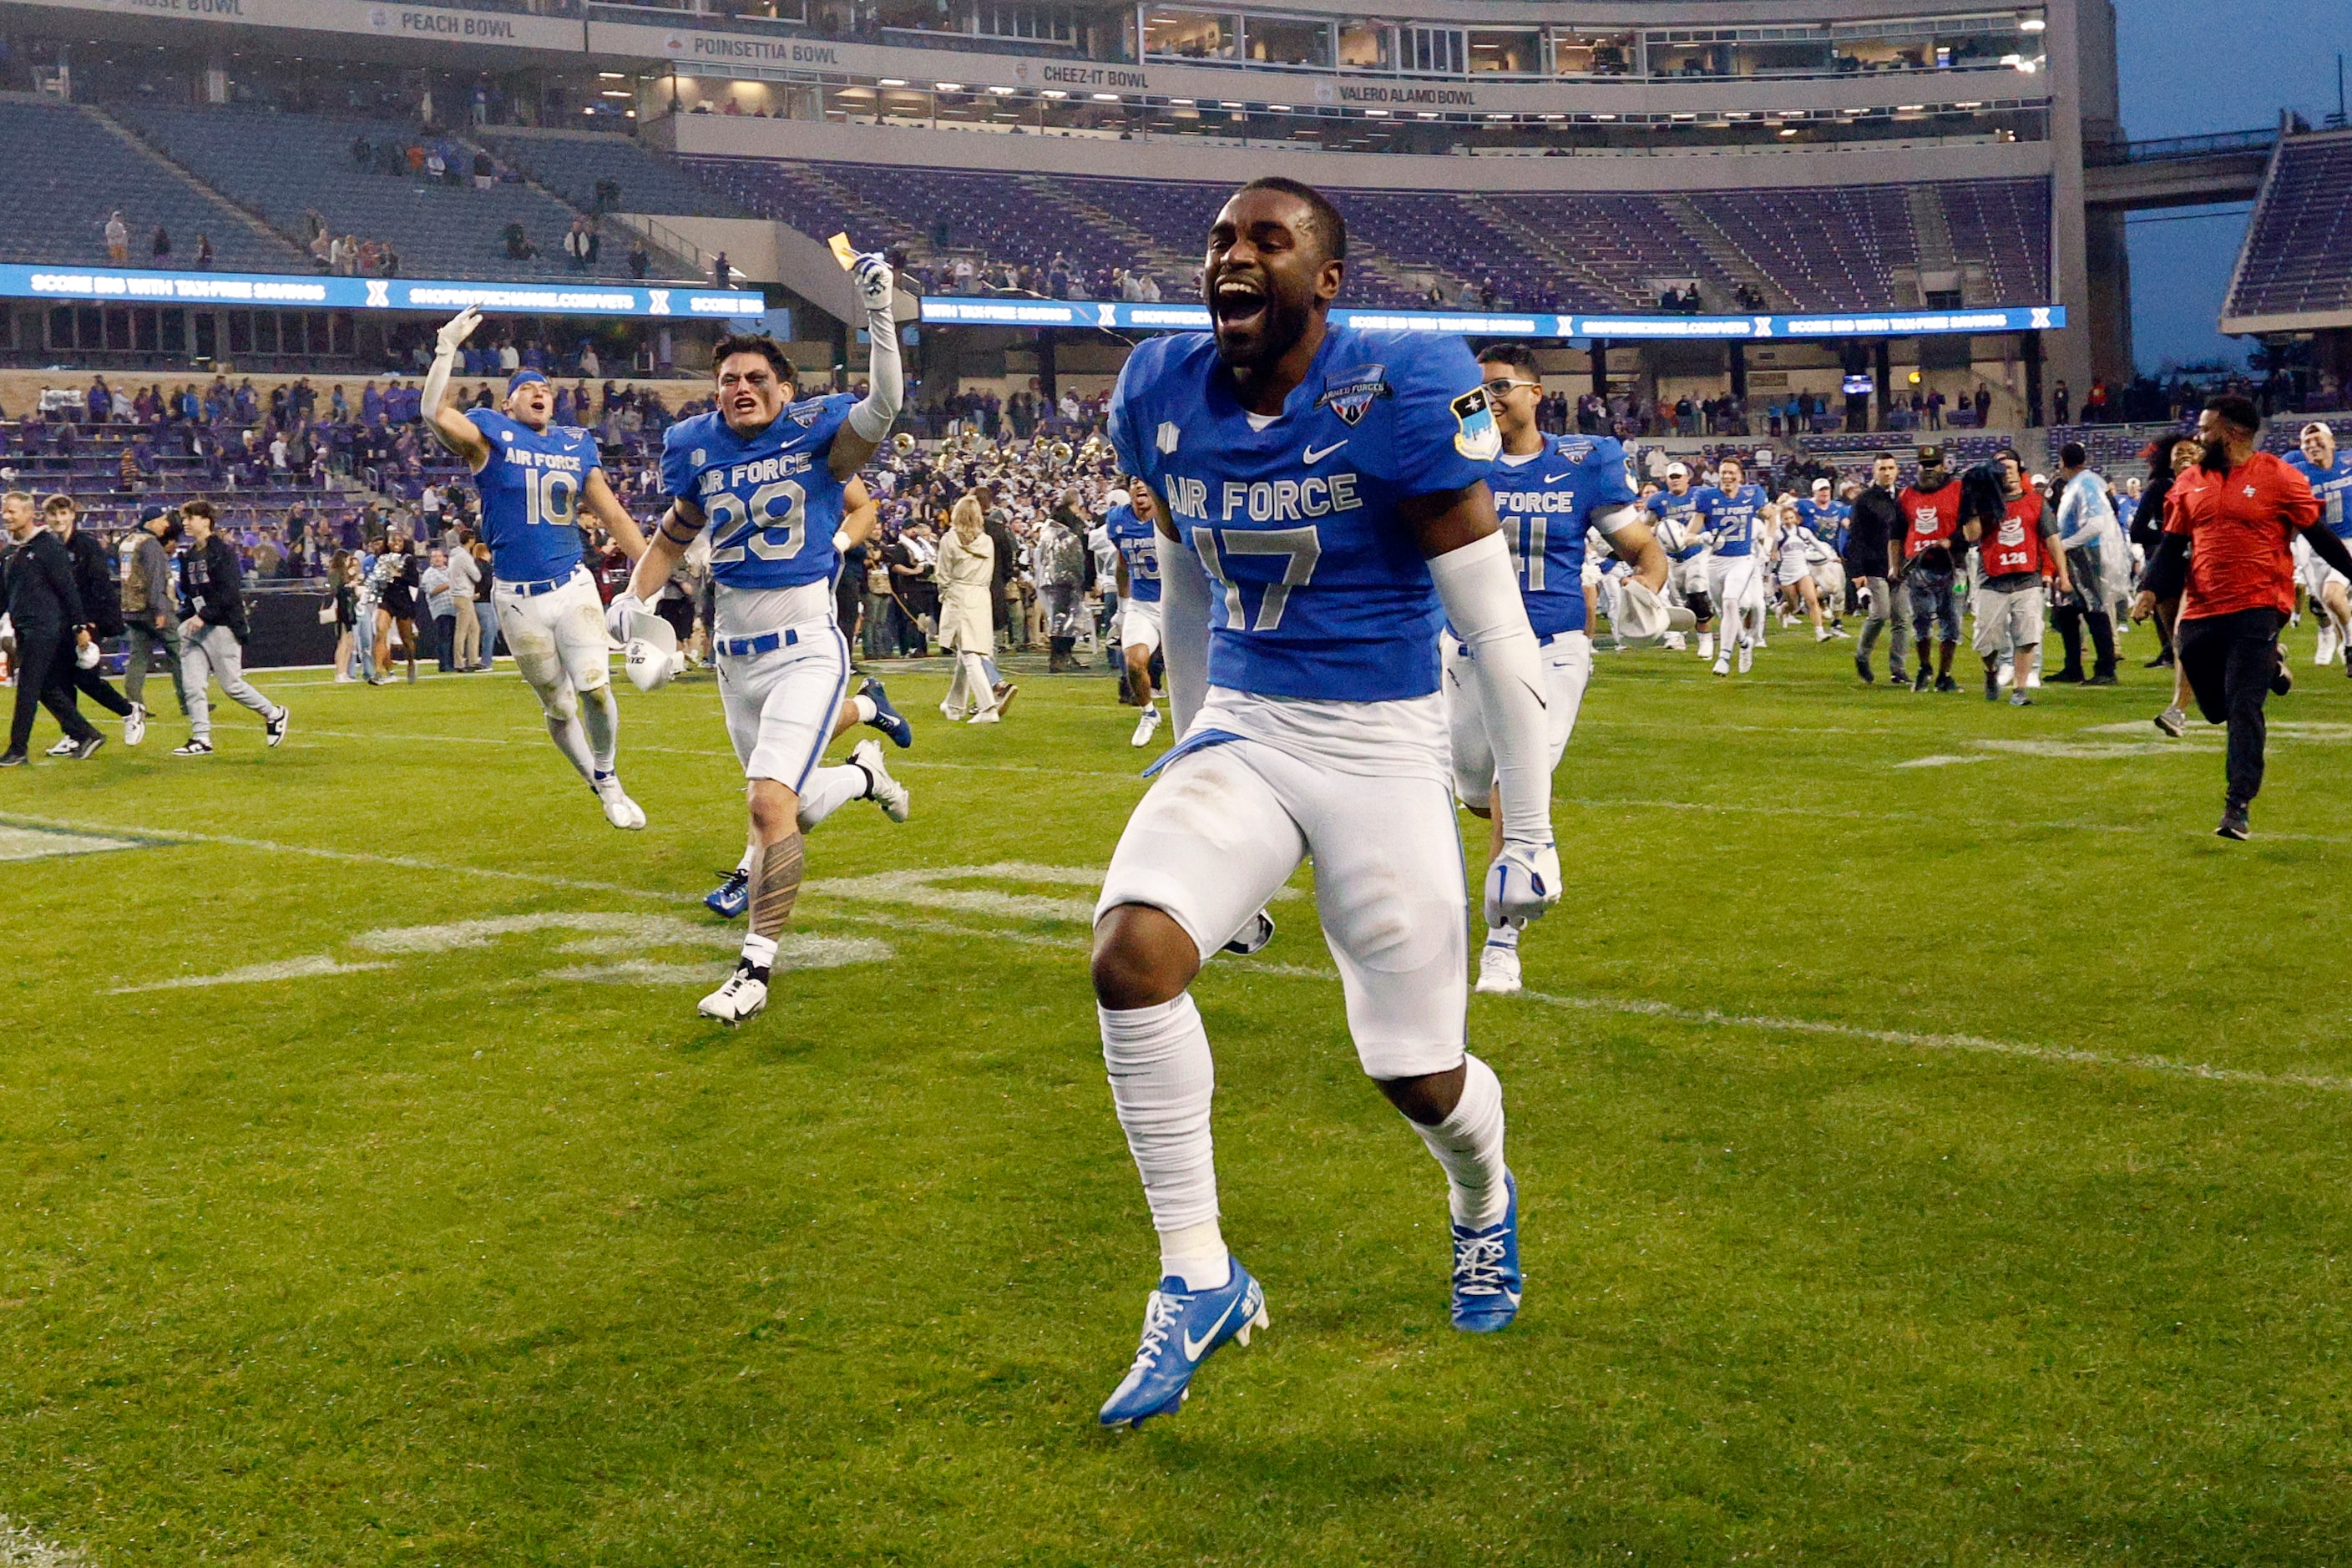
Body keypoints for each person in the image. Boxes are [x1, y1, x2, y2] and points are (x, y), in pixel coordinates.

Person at [1091, 177, 1555, 1429]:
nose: (1233, 256)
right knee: (1132, 957)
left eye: (1266, 240)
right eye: (1220, 238)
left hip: (1383, 745)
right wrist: (1190, 747)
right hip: (1247, 723)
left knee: (1417, 1074)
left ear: (1327, 279)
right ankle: (1199, 1273)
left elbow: (1496, 630)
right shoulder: (1160, 389)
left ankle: (1480, 1199)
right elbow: (1185, 590)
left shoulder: (1402, 384)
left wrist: (1531, 826)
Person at [611, 286, 914, 1024]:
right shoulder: (696, 447)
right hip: (733, 658)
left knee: (765, 804)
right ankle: (863, 774)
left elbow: (881, 407)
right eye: (728, 381)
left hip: (807, 648)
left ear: (784, 390)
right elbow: (674, 536)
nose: (740, 389)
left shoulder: (816, 436)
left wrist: (878, 319)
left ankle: (754, 970)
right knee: (791, 807)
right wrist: (632, 598)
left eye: (754, 379)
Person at [1458, 341, 1666, 996]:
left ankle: (1501, 942)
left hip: (1550, 646)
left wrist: (1647, 589)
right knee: (1472, 783)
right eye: (1478, 390)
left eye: (1498, 387)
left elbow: (1642, 548)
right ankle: (1520, 835)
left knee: (1511, 786)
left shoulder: (1581, 463)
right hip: (1463, 647)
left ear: (1534, 393)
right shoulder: (1459, 461)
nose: (1486, 400)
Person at [422, 312, 653, 828]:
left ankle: (610, 775)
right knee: (559, 705)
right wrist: (445, 350)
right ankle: (596, 784)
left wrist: (653, 575)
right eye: (527, 389)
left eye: (545, 388)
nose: (539, 393)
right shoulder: (490, 433)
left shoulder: (575, 443)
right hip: (517, 599)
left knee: (594, 687)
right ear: (508, 402)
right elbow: (433, 411)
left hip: (571, 584)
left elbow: (613, 514)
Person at [2132, 397, 2352, 838]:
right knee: (2213, 703)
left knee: (2242, 706)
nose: (2198, 436)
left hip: (2258, 604)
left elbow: (2318, 534)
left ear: (2232, 432)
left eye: (2206, 428)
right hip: (2202, 607)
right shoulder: (2189, 482)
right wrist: (2149, 589)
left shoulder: (2279, 476)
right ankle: (2272, 664)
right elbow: (2173, 546)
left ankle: (2237, 806)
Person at [170, 501, 289, 757]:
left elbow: (229, 592)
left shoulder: (222, 552)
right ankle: (201, 738)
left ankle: (274, 713)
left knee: (232, 685)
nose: (186, 523)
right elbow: (190, 593)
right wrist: (185, 617)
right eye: (185, 518)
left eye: (190, 517)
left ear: (206, 520)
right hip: (196, 626)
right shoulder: (189, 554)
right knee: (192, 685)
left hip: (221, 625)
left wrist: (204, 615)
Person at [0, 490, 104, 766]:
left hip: (46, 628)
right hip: (23, 627)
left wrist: (79, 626)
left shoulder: (48, 546)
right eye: (4, 510)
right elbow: (3, 593)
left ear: (29, 513)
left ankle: (17, 749)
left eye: (11, 511)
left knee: (28, 689)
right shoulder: (11, 550)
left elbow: (68, 589)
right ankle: (86, 733)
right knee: (44, 687)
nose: (5, 515)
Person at [1957, 453, 2070, 706]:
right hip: (1992, 577)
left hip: (2027, 576)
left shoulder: (2036, 502)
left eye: (2008, 466)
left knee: (2028, 636)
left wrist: (2063, 575)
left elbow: (2052, 540)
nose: (2004, 472)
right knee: (1988, 642)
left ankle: (2020, 690)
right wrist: (1972, 507)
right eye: (1999, 468)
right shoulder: (1985, 504)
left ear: (2019, 470)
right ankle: (1990, 671)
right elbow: (1972, 536)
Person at [44, 494, 138, 746]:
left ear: (73, 515)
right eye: (53, 514)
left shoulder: (86, 545)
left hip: (86, 622)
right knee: (61, 679)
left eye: (63, 513)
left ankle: (129, 712)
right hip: (61, 622)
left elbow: (100, 584)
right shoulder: (50, 548)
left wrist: (94, 621)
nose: (59, 519)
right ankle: (73, 734)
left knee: (85, 678)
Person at [2048, 443, 2125, 685]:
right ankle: (2073, 667)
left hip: (2087, 555)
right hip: (2077, 555)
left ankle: (2106, 668)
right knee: (2068, 612)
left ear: (2062, 461)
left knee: (2095, 609)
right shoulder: (2082, 483)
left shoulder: (2085, 484)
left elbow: (2096, 524)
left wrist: (2065, 544)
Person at [1692, 454, 1769, 675]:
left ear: (1740, 476)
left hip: (1742, 559)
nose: (1727, 476)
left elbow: (1771, 516)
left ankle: (1723, 657)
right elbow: (1690, 532)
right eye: (1724, 472)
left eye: (1732, 472)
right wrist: (1702, 537)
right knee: (1725, 612)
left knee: (1730, 601)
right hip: (1715, 561)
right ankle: (1744, 642)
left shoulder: (1752, 494)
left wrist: (1769, 542)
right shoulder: (1706, 496)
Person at [2285, 422, 2352, 675]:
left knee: (2333, 596)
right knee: (2327, 602)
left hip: (2349, 539)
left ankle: (2350, 645)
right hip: (2316, 545)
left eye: (2318, 439)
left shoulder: (2348, 461)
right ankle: (2338, 639)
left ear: (2333, 442)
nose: (2313, 445)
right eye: (2307, 442)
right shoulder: (2294, 471)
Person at [1897, 444, 1965, 692]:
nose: (1928, 470)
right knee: (1921, 620)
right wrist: (1895, 567)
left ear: (1943, 465)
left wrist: (1953, 541)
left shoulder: (1959, 490)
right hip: (1918, 567)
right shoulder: (1906, 495)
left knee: (1952, 621)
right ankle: (1925, 666)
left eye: (1933, 465)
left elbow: (1971, 525)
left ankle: (1945, 674)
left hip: (1954, 566)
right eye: (1923, 465)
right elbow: (1897, 533)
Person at [935, 494, 1004, 722]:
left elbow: (943, 573)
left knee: (969, 654)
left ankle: (987, 707)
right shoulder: (987, 541)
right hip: (981, 597)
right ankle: (955, 705)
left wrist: (945, 593)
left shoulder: (949, 540)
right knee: (967, 652)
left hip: (959, 595)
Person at [1105, 484, 1163, 745]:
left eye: (1144, 480)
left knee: (1188, 670)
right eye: (1133, 481)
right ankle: (1149, 713)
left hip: (1175, 603)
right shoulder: (1118, 519)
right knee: (1134, 663)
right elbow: (1122, 563)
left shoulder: (1169, 515)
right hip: (1142, 604)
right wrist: (1121, 606)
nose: (1139, 485)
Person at [118, 503, 185, 722]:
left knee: (138, 657)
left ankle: (135, 705)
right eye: (163, 519)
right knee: (179, 653)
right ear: (151, 522)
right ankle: (189, 701)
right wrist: (160, 610)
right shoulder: (151, 545)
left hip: (131, 608)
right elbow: (156, 579)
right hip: (152, 609)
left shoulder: (128, 541)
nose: (167, 524)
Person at [1845, 453, 1908, 685]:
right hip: (1875, 566)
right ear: (1875, 471)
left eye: (1891, 468)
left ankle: (1898, 670)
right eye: (1883, 468)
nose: (1888, 472)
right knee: (1880, 614)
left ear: (1897, 470)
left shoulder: (1904, 497)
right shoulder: (1864, 500)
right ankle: (1862, 656)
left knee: (1902, 619)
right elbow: (1855, 538)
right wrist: (1857, 571)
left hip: (1900, 568)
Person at [1646, 461, 1712, 658]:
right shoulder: (1658, 501)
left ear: (1687, 478)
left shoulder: (1700, 495)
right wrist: (1656, 530)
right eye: (1671, 477)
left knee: (1696, 593)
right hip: (1671, 559)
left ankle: (1705, 640)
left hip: (1697, 553)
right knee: (1677, 603)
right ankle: (1676, 638)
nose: (1675, 481)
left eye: (1678, 477)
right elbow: (1646, 527)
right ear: (1666, 479)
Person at [445, 528, 483, 670]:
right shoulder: (464, 557)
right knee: (462, 630)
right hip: (463, 595)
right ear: (471, 540)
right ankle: (459, 663)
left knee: (474, 628)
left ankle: (473, 660)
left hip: (458, 594)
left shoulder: (454, 555)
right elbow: (477, 576)